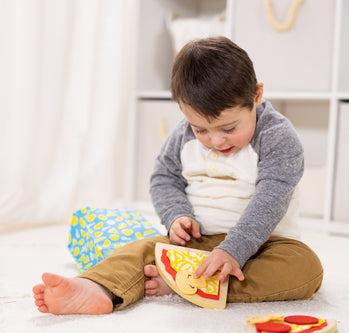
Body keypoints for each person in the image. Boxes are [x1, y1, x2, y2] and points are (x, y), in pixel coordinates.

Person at [32, 36, 323, 315]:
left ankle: (190, 286)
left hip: (264, 245)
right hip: (196, 243)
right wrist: (176, 215)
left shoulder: (277, 137)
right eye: (201, 129)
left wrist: (233, 251)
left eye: (229, 128)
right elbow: (163, 178)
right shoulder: (183, 136)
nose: (216, 141)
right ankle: (96, 287)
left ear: (256, 96)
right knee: (141, 249)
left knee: (305, 268)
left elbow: (270, 200)